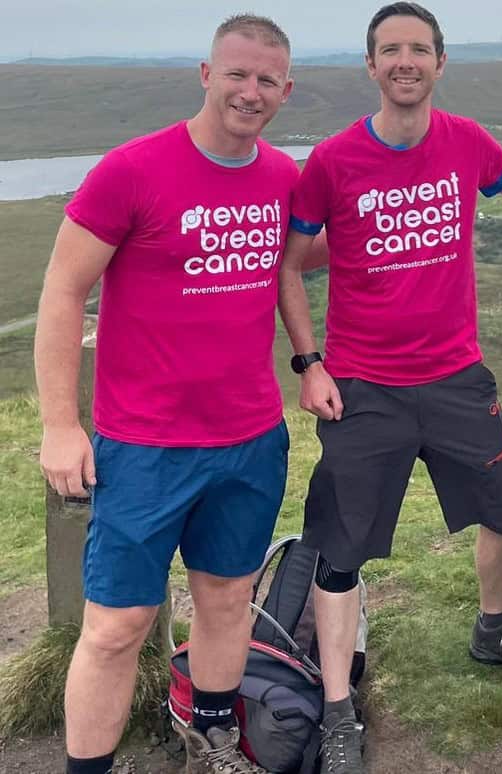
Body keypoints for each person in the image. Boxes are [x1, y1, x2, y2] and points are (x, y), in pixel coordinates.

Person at [278, 4, 502, 771]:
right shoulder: (333, 161)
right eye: (390, 50)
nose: (405, 61)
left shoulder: (464, 140)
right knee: (341, 551)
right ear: (371, 67)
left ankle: (494, 626)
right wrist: (310, 366)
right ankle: (338, 707)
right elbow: (290, 265)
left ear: (441, 61)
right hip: (365, 389)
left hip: (458, 379)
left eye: (418, 49)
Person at [35, 15, 298, 774]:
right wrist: (60, 424)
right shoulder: (132, 170)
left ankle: (211, 739)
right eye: (238, 74)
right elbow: (63, 291)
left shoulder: (281, 177)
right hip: (143, 448)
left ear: (287, 89)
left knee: (224, 602)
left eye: (267, 80)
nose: (251, 91)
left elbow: (299, 261)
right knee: (118, 626)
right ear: (205, 74)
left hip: (249, 440)